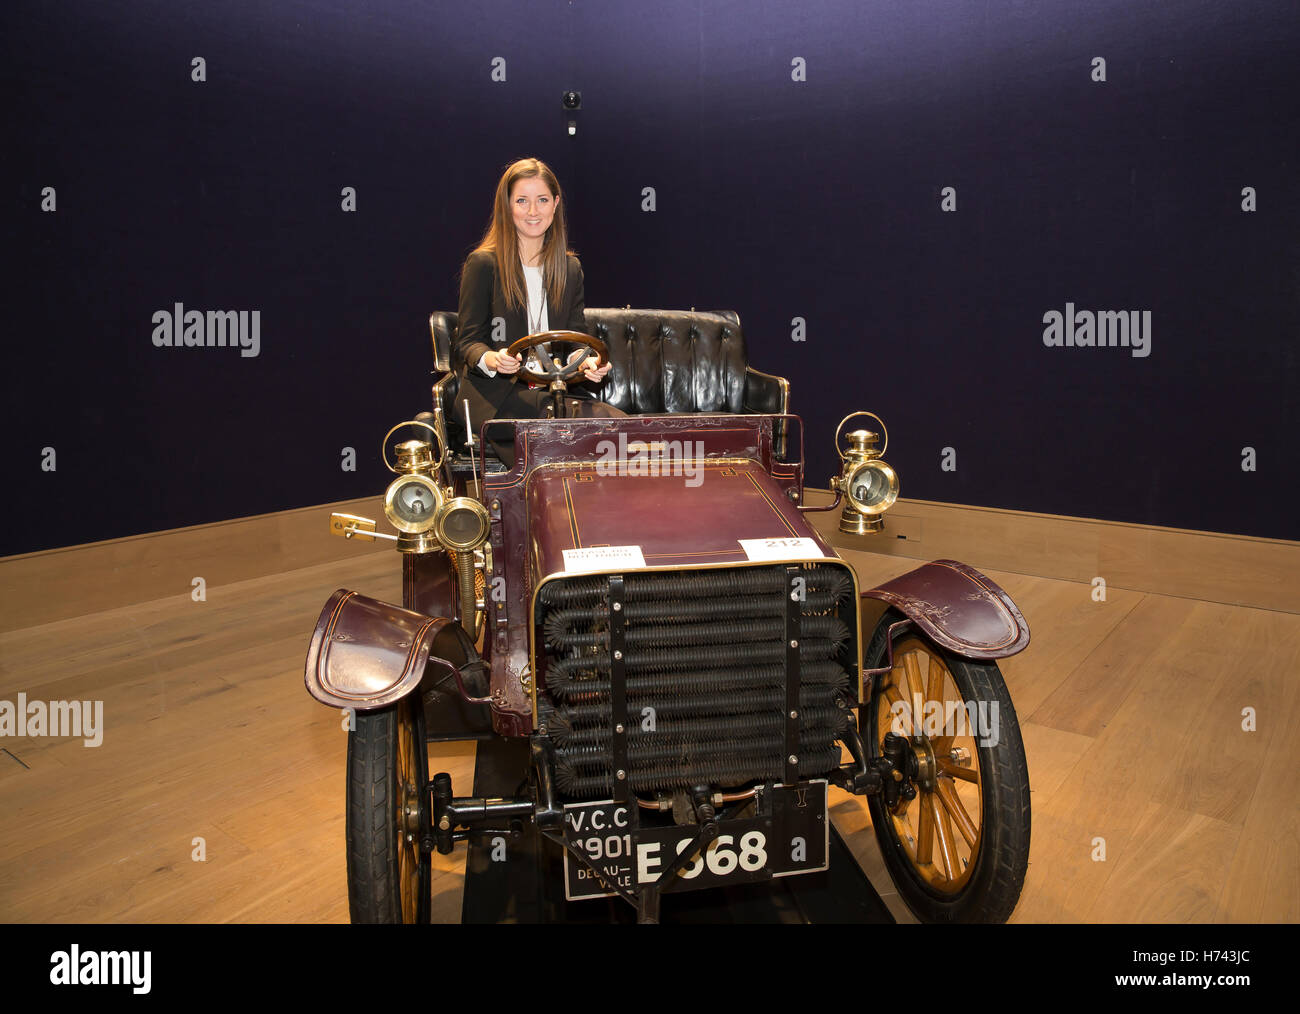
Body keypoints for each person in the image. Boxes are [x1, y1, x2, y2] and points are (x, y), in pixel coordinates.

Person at [453, 157, 623, 462]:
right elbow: (467, 342)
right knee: (568, 431)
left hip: (554, 392)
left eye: (542, 200)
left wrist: (586, 364)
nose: (533, 211)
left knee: (618, 429)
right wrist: (492, 358)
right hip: (497, 399)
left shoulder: (570, 269)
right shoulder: (483, 265)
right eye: (522, 201)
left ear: (555, 204)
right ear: (507, 206)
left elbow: (575, 342)